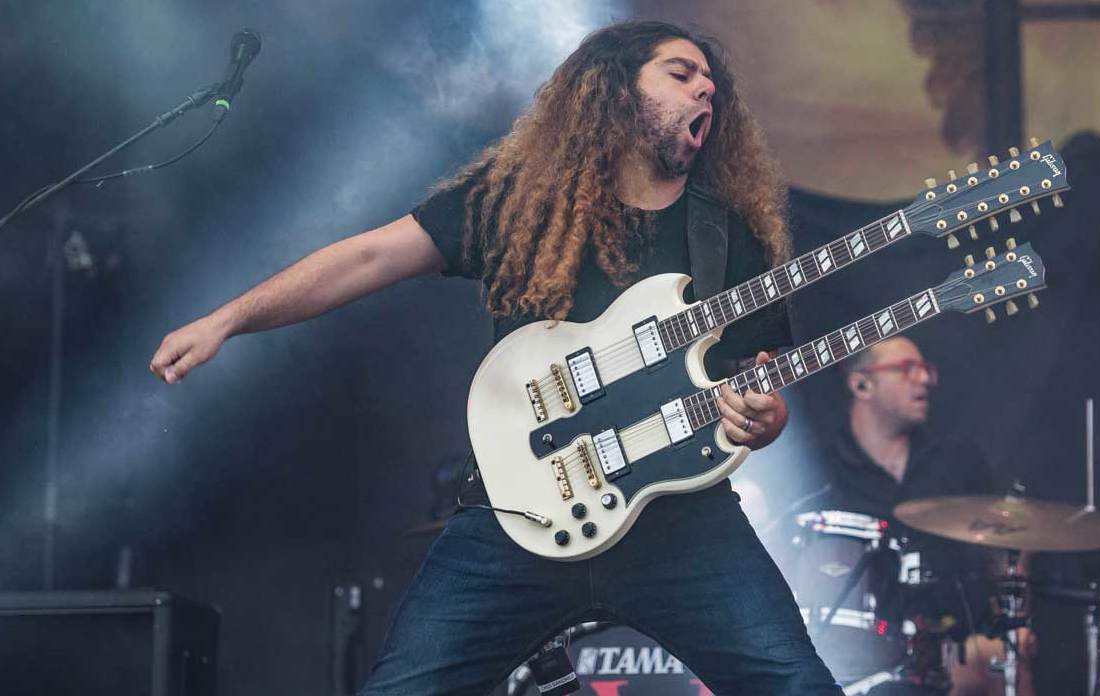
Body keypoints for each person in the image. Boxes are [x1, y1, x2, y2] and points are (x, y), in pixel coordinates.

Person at [150, 21, 844, 695]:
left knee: (792, 684)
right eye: (681, 72)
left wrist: (762, 416)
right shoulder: (520, 205)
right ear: (614, 90)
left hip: (684, 525)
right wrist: (228, 319)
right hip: (518, 517)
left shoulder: (730, 237)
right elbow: (366, 257)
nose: (707, 92)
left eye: (712, 85)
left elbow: (758, 384)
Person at [766, 335, 1035, 695]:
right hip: (845, 648)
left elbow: (1010, 540)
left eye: (926, 370)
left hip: (948, 647)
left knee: (1005, 661)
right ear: (862, 384)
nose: (923, 379)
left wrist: (1013, 623)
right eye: (907, 370)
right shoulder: (818, 466)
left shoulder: (955, 459)